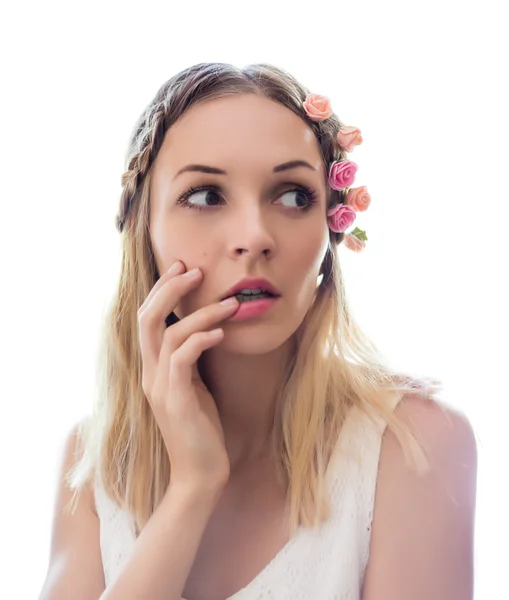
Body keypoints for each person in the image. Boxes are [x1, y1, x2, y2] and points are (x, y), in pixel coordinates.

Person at [38, 62, 478, 600]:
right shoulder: (94, 461)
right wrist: (192, 488)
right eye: (205, 196)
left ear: (330, 228)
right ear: (143, 231)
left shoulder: (414, 444)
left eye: (293, 195)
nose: (254, 237)